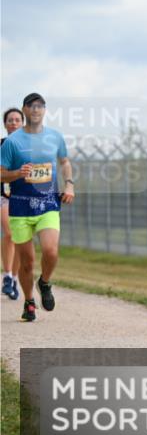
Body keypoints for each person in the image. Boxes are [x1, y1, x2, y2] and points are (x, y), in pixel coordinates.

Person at [0, 93, 74, 322]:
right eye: (31, 106)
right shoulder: (12, 142)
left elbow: (64, 162)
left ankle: (44, 282)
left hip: (48, 204)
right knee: (27, 262)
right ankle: (29, 302)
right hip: (20, 208)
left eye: (40, 106)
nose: (36, 110)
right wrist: (16, 174)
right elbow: (1, 173)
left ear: (44, 110)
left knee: (51, 251)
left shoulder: (55, 137)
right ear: (24, 110)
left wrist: (69, 184)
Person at [1, 107, 24, 300]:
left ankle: (15, 279)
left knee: (20, 238)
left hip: (24, 196)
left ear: (23, 123)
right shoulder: (1, 145)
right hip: (4, 196)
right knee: (10, 232)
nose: (14, 123)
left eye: (17, 120)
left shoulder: (31, 147)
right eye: (10, 120)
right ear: (5, 124)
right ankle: (7, 276)